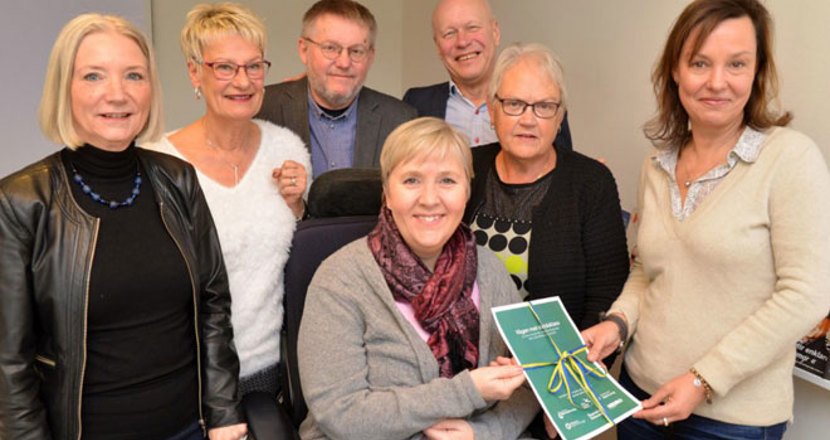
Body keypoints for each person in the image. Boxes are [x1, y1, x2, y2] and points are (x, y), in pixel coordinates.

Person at [582, 1, 830, 439]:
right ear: (675, 70)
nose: (717, 81)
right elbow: (648, 271)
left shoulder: (790, 158)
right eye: (700, 63)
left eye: (737, 64)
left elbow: (807, 295)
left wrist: (703, 379)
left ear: (757, 72)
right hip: (639, 397)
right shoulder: (656, 165)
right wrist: (616, 324)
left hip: (731, 422)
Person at [0, 13, 246, 440]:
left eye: (134, 75)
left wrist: (225, 415)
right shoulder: (20, 202)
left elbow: (213, 306)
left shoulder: (178, 180)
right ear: (64, 89)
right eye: (93, 76)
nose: (117, 94)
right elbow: (9, 364)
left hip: (191, 429)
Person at [297, 117, 539, 440]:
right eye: (411, 180)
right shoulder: (340, 280)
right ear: (387, 193)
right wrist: (467, 390)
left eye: (447, 181)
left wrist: (483, 432)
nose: (429, 198)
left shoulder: (489, 268)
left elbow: (531, 380)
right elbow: (340, 413)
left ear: (466, 192)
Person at [462, 42, 628, 438]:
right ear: (492, 109)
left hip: (549, 386)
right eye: (514, 104)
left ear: (561, 116)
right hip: (464, 379)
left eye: (544, 106)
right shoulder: (465, 167)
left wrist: (573, 391)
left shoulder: (591, 183)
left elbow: (606, 295)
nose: (528, 119)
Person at [145, 3, 310, 398]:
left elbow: (300, 258)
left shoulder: (287, 150)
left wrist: (300, 207)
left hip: (270, 373)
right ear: (194, 72)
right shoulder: (158, 162)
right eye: (225, 67)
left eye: (254, 66)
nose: (243, 81)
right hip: (186, 374)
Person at [256, 0, 416, 179]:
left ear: (370, 57)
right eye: (330, 48)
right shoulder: (261, 108)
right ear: (304, 50)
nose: (344, 63)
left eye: (356, 51)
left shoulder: (400, 121)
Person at [403, 0, 572, 150]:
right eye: (449, 33)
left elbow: (561, 167)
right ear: (438, 47)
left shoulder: (544, 107)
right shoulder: (416, 104)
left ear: (495, 32)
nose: (462, 41)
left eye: (472, 28)